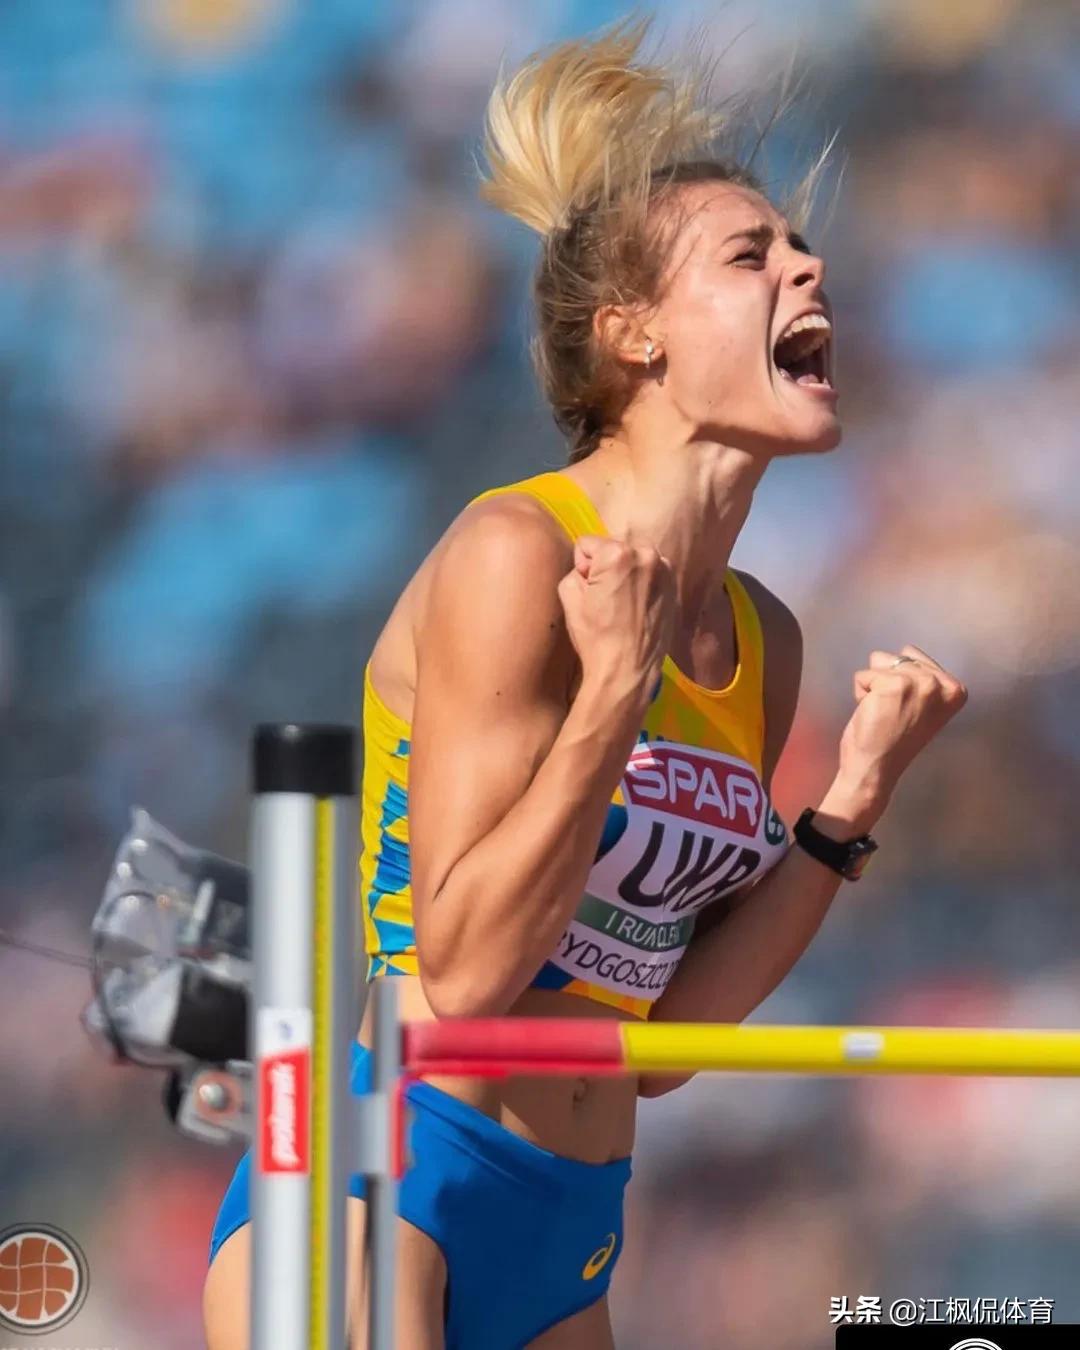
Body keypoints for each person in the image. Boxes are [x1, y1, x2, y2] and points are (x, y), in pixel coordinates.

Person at [203, 20, 968, 1350]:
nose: (809, 265)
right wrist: (613, 689)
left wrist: (844, 811)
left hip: (571, 1211)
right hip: (393, 1160)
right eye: (754, 255)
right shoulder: (519, 550)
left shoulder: (760, 637)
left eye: (800, 247)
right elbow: (476, 963)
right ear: (636, 338)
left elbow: (667, 1046)